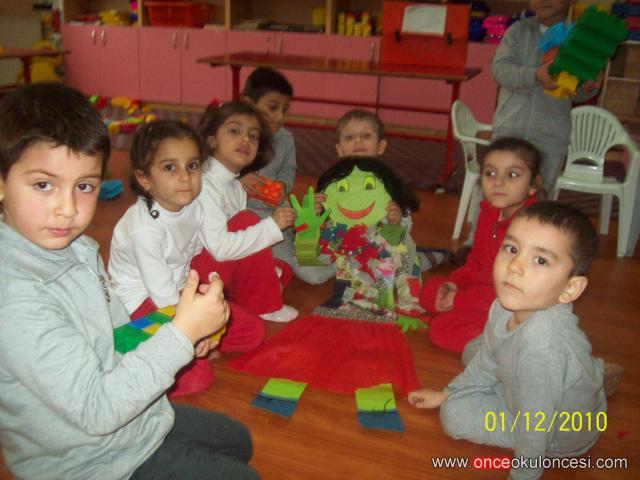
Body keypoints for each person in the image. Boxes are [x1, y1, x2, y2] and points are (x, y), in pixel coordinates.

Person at [0, 83, 258, 480]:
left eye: (84, 186)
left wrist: (181, 335)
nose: (67, 209)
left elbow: (121, 335)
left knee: (238, 441)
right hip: (88, 461)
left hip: (133, 421)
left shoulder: (78, 248)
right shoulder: (15, 300)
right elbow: (97, 410)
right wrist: (180, 336)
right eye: (43, 184)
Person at [408, 201, 623, 480]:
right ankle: (590, 373)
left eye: (540, 260)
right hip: (527, 390)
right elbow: (486, 360)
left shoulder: (543, 347)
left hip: (555, 433)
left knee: (454, 415)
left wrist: (523, 475)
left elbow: (536, 425)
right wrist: (448, 392)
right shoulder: (505, 304)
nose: (515, 267)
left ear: (570, 289)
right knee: (475, 350)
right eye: (511, 249)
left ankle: (589, 378)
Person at [109, 120, 219, 397]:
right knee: (199, 377)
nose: (185, 177)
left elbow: (198, 250)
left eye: (192, 166)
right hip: (141, 302)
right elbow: (163, 296)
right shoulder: (143, 230)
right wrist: (196, 330)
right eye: (170, 167)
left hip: (178, 290)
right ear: (145, 179)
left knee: (246, 329)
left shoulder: (192, 205)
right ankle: (129, 369)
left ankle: (196, 346)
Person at [419, 137, 540, 355]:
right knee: (429, 291)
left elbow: (517, 289)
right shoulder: (489, 212)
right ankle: (497, 338)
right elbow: (476, 260)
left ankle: (511, 349)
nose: (498, 182)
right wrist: (454, 284)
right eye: (490, 173)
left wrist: (461, 299)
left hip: (512, 302)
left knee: (440, 328)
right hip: (483, 293)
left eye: (512, 174)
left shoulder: (531, 227)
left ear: (533, 185)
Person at [196, 100, 299, 323]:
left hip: (220, 269)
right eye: (234, 131)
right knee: (247, 220)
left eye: (253, 136)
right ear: (212, 140)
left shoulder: (235, 186)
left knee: (283, 268)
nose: (245, 140)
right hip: (198, 275)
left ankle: (244, 297)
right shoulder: (205, 183)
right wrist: (271, 226)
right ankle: (264, 304)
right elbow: (220, 249)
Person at [491, 0, 601, 196]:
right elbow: (500, 69)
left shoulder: (579, 39)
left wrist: (588, 87)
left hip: (550, 137)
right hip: (509, 130)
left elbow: (578, 91)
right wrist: (534, 75)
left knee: (540, 196)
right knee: (500, 192)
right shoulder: (519, 31)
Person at [334, 109, 452, 271]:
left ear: (381, 146)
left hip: (383, 246)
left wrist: (396, 221)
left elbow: (404, 225)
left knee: (399, 267)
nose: (358, 141)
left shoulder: (390, 185)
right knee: (314, 263)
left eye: (366, 136)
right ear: (340, 149)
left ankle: (431, 257)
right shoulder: (334, 185)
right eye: (350, 138)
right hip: (350, 248)